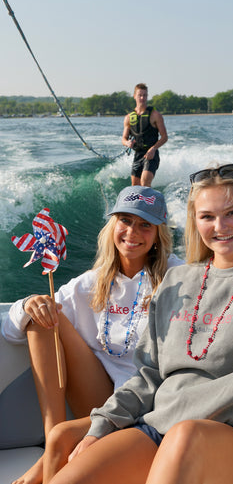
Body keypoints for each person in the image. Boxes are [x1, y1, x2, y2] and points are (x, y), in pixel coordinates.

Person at [35, 164, 233, 484]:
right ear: (195, 221)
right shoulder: (176, 281)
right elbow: (148, 376)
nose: (220, 226)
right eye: (207, 216)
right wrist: (102, 426)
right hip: (158, 428)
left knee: (185, 435)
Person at [2, 185, 183, 484]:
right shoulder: (90, 283)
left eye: (145, 225)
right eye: (125, 220)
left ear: (158, 234)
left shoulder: (180, 278)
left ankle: (57, 455)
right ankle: (52, 450)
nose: (132, 232)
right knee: (44, 314)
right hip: (99, 399)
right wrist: (27, 304)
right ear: (113, 225)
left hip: (149, 408)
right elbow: (11, 332)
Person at [122, 83, 168, 186]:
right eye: (140, 95)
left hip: (151, 154)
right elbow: (123, 139)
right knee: (135, 185)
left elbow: (164, 137)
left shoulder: (155, 115)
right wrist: (128, 143)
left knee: (145, 182)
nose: (142, 98)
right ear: (134, 96)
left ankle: (150, 201)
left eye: (145, 95)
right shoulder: (129, 117)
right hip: (138, 155)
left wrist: (153, 149)